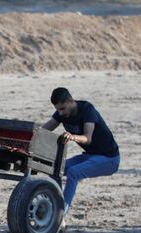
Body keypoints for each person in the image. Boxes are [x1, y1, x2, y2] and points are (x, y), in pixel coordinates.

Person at [42, 87, 120, 221]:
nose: (60, 113)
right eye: (57, 109)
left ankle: (59, 217)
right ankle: (56, 206)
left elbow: (87, 138)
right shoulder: (62, 113)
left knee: (74, 172)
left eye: (62, 108)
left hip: (109, 159)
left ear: (71, 101)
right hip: (89, 156)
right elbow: (46, 129)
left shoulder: (87, 110)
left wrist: (72, 137)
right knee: (56, 168)